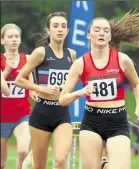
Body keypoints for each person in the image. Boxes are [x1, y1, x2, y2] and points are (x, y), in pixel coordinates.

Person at [59, 11, 139, 169]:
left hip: (117, 121)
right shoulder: (80, 64)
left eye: (105, 30)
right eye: (97, 30)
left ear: (110, 36)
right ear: (89, 35)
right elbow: (63, 99)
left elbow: (138, 85)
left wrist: (138, 107)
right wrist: (80, 92)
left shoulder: (122, 60)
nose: (101, 33)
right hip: (92, 120)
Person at [15, 12, 76, 169]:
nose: (60, 29)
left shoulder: (71, 55)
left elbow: (72, 81)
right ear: (48, 30)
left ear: (68, 31)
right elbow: (19, 80)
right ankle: (33, 160)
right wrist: (40, 88)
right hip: (42, 113)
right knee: (39, 165)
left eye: (63, 26)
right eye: (55, 26)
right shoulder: (41, 52)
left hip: (62, 113)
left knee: (61, 159)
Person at [0, 23, 38, 169]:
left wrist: (35, 93)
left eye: (17, 36)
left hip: (22, 114)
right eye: (10, 37)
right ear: (2, 40)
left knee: (22, 151)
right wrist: (6, 72)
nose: (14, 40)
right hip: (2, 116)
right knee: (2, 163)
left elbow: (31, 84)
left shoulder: (27, 59)